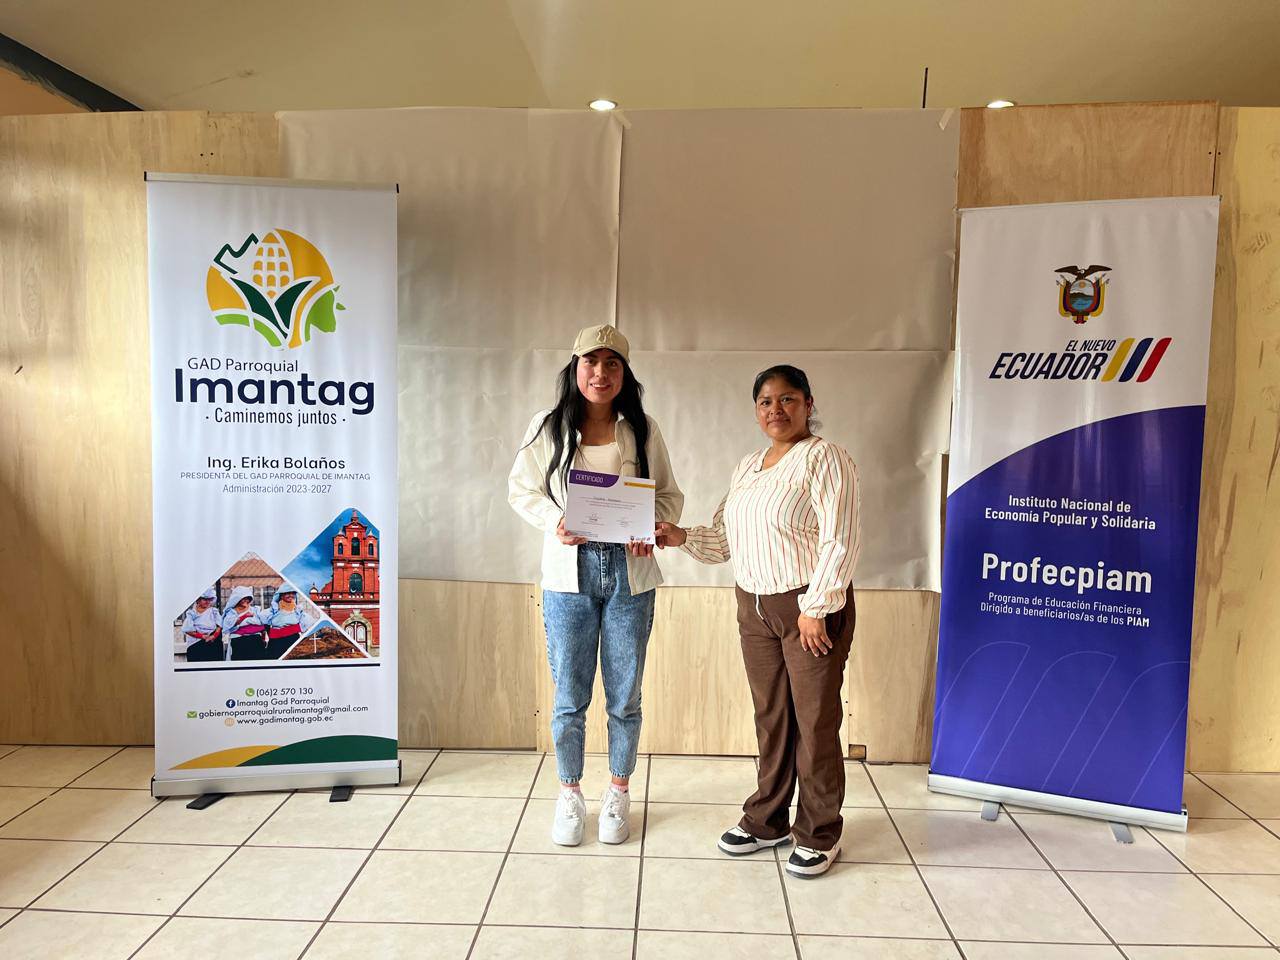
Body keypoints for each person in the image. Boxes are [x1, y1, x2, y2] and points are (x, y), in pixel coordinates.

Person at [656, 364, 860, 878]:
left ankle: (819, 833)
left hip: (808, 606)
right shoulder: (748, 466)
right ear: (756, 411)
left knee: (814, 721)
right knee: (772, 716)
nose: (776, 410)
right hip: (754, 607)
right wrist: (680, 536)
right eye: (766, 401)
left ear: (808, 404)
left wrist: (816, 607)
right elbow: (726, 538)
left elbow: (840, 538)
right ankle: (768, 820)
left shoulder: (825, 457)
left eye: (788, 399)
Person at [509, 323, 683, 847]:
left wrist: (651, 527)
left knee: (624, 696)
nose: (600, 373)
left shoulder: (642, 429)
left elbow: (670, 497)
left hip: (630, 575)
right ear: (575, 367)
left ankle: (618, 791)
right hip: (570, 574)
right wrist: (556, 520)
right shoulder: (548, 427)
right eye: (591, 361)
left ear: (624, 372)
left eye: (612, 363)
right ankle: (569, 793)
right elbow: (521, 490)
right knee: (570, 695)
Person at [263, 586, 313, 658]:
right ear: (281, 595)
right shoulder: (274, 609)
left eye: (293, 593)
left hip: (292, 639)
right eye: (287, 593)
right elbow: (264, 621)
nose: (291, 595)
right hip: (276, 642)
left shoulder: (298, 610)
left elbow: (307, 624)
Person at [222, 586, 267, 661]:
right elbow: (229, 624)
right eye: (243, 598)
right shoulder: (232, 612)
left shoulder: (255, 610)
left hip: (255, 640)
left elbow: (261, 624)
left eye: (248, 598)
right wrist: (245, 616)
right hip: (238, 641)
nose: (246, 600)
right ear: (237, 599)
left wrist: (263, 638)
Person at [181, 589, 224, 663]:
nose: (207, 602)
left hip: (212, 642)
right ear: (198, 600)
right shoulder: (191, 613)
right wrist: (202, 636)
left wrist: (213, 636)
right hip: (196, 643)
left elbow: (219, 626)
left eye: (209, 599)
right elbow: (187, 630)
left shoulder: (214, 611)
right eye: (205, 599)